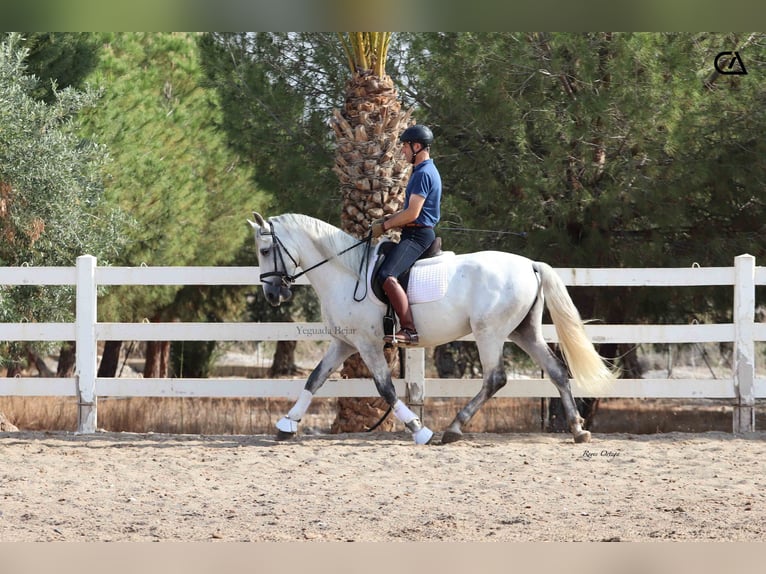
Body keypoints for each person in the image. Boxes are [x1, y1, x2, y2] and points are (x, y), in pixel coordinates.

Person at [371, 124, 442, 346]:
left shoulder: (423, 173)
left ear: (417, 146)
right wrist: (390, 220)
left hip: (417, 237)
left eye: (405, 147)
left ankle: (409, 330)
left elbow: (413, 213)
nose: (402, 151)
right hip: (413, 233)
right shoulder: (423, 171)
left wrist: (385, 226)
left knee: (386, 275)